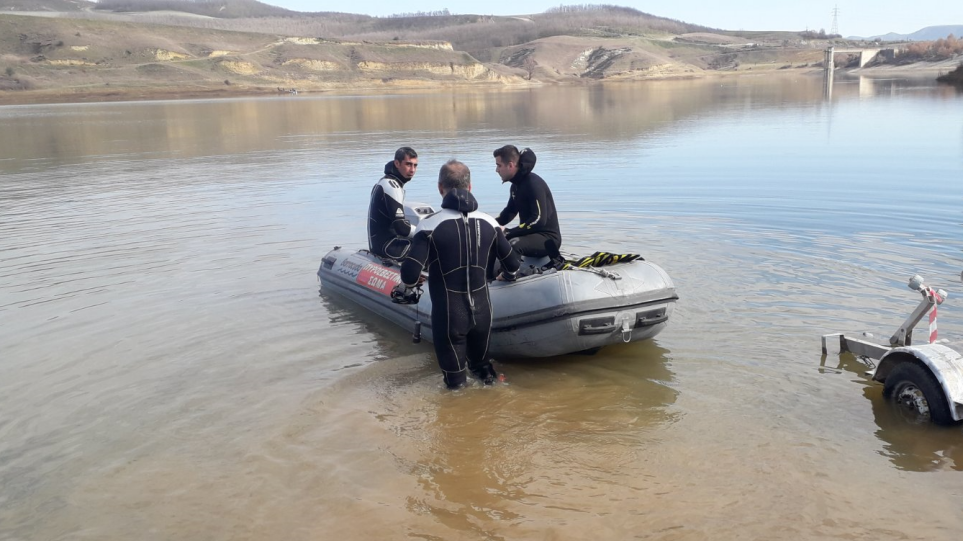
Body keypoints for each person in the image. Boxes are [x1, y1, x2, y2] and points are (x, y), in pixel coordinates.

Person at [397, 159, 520, 390]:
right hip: (483, 312)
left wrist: (417, 279)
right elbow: (512, 264)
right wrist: (507, 276)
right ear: (470, 187)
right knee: (484, 373)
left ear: (440, 188)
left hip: (450, 314)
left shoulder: (429, 226)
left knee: (455, 386)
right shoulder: (490, 222)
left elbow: (409, 275)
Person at [492, 145, 564, 269]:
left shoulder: (533, 184)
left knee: (513, 244)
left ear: (510, 165)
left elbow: (539, 220)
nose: (496, 170)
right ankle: (488, 277)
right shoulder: (516, 186)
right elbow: (509, 212)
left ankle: (509, 277)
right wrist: (489, 225)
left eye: (499, 166)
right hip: (529, 235)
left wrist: (509, 232)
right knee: (496, 240)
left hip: (548, 239)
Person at [368, 147, 419, 260]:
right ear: (397, 163)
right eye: (408, 164)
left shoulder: (383, 182)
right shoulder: (392, 186)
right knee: (431, 245)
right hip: (388, 248)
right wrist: (426, 231)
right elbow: (402, 228)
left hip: (379, 246)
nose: (412, 170)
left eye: (415, 165)